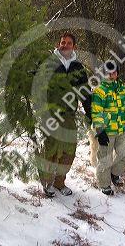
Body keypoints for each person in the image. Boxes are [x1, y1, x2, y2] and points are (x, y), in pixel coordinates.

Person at [38, 32, 92, 197]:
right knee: (51, 148)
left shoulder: (78, 67)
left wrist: (90, 113)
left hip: (68, 114)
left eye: (69, 43)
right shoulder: (49, 63)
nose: (65, 45)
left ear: (74, 46)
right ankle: (47, 183)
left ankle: (60, 182)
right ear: (58, 44)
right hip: (50, 112)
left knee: (69, 149)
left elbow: (85, 92)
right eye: (62, 42)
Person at [91, 61, 125, 195]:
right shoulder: (100, 90)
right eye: (108, 72)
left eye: (114, 72)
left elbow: (124, 106)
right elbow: (96, 112)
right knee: (105, 159)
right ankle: (104, 184)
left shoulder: (122, 88)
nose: (111, 74)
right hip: (107, 131)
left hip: (120, 129)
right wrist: (100, 131)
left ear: (117, 73)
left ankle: (114, 174)